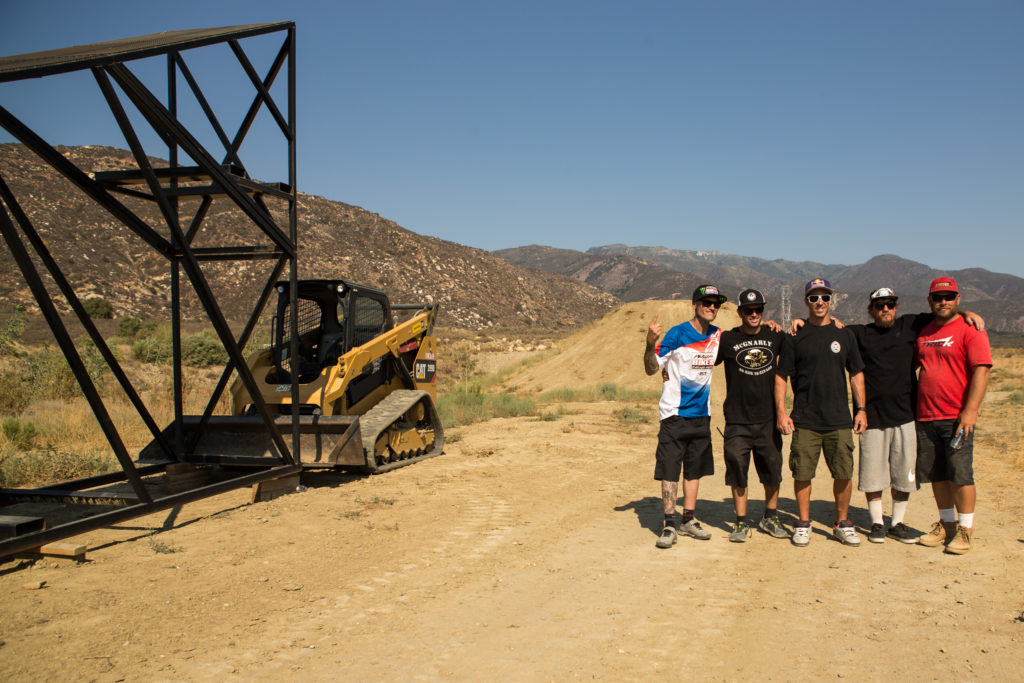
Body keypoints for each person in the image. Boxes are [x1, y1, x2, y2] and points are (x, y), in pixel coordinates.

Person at [844, 287, 985, 544]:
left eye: (890, 304)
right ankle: (877, 523)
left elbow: (944, 312)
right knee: (874, 474)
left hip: (908, 415)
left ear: (896, 306)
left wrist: (965, 313)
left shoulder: (911, 324)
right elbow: (831, 328)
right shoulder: (859, 333)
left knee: (904, 474)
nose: (885, 309)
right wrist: (799, 322)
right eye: (879, 305)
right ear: (871, 309)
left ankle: (897, 523)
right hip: (873, 416)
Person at [775, 278, 866, 547]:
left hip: (839, 418)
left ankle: (842, 522)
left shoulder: (844, 334)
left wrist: (861, 409)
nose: (820, 303)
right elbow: (782, 376)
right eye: (814, 298)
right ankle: (803, 523)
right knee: (802, 473)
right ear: (806, 302)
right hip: (806, 418)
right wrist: (781, 412)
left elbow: (856, 373)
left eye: (824, 297)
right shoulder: (796, 336)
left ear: (831, 300)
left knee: (843, 472)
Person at [643, 284, 725, 548]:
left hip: (702, 416)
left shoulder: (717, 336)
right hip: (674, 416)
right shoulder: (677, 334)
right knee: (670, 469)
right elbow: (652, 369)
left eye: (716, 304)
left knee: (694, 470)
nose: (712, 307)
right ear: (694, 304)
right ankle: (669, 524)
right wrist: (649, 344)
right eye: (706, 302)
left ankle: (688, 519)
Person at [914, 277, 992, 555]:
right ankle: (946, 524)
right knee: (938, 474)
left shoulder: (970, 330)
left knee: (960, 474)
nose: (943, 302)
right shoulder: (924, 332)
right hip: (925, 416)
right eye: (938, 297)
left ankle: (965, 530)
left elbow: (982, 370)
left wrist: (970, 411)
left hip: (956, 416)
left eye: (949, 297)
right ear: (930, 301)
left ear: (958, 299)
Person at [715, 288, 789, 542]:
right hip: (737, 420)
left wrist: (800, 322)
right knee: (737, 470)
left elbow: (799, 344)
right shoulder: (727, 339)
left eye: (758, 310)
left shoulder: (775, 335)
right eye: (749, 310)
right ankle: (740, 523)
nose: (754, 314)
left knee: (772, 470)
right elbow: (700, 357)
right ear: (740, 313)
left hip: (768, 419)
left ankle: (770, 517)